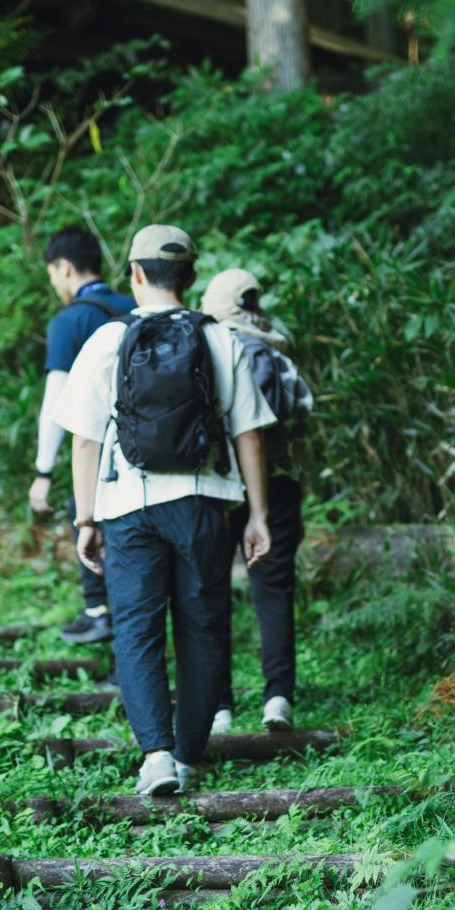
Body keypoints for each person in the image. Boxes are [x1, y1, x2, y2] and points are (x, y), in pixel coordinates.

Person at [51, 225, 275, 796]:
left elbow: (83, 440)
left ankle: (154, 756)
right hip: (206, 503)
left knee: (137, 629)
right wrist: (258, 516)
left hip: (129, 506)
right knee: (203, 627)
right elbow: (249, 434)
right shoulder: (220, 338)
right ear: (192, 277)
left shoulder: (106, 340)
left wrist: (85, 519)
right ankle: (189, 755)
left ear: (135, 274)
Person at [200, 269, 313, 734]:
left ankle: (218, 704)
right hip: (278, 481)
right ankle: (278, 697)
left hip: (218, 487)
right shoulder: (274, 352)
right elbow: (303, 412)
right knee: (273, 589)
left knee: (209, 594)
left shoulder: (205, 351)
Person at [31, 226, 136, 645]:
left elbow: (56, 404)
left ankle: (99, 614)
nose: (55, 283)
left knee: (88, 522)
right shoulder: (132, 305)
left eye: (52, 274)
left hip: (95, 452)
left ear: (65, 267)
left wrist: (43, 471)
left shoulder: (69, 321)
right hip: (143, 451)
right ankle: (117, 635)